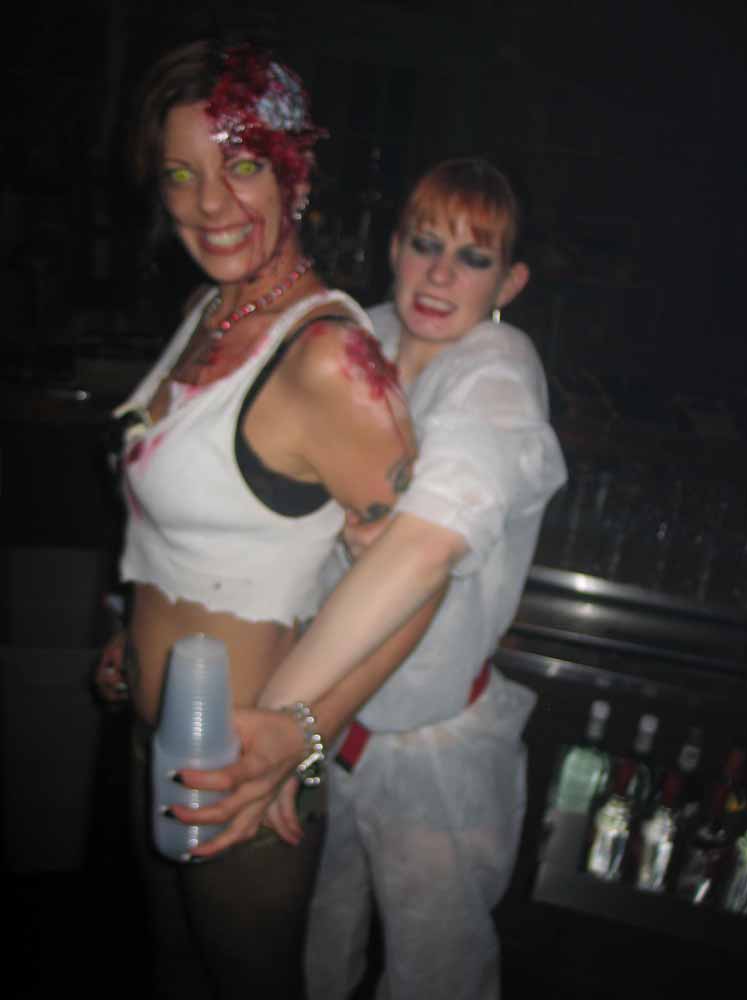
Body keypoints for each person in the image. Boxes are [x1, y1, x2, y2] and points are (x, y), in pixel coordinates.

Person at [179, 158, 567, 1000]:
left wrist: (278, 723)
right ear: (394, 247)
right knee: (315, 953)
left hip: (427, 746)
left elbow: (423, 549)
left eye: (473, 258)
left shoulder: (497, 372)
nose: (440, 274)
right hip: (331, 726)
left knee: (436, 976)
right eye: (426, 244)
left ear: (510, 282)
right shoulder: (360, 337)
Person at [94, 37, 419, 999]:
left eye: (241, 166)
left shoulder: (328, 360)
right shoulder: (210, 309)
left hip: (248, 768)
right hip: (156, 739)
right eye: (180, 175)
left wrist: (303, 739)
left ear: (294, 173)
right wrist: (134, 630)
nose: (209, 204)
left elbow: (416, 587)